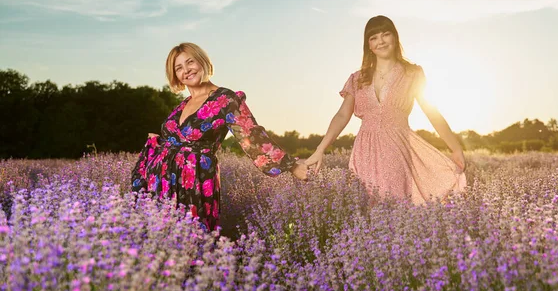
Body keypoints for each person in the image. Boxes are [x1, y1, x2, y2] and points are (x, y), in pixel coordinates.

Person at [131, 42, 308, 231]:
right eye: (179, 68)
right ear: (175, 75)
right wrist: (157, 141)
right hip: (162, 183)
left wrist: (292, 165)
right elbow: (177, 140)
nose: (186, 70)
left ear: (202, 61)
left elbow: (251, 135)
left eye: (190, 62)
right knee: (161, 242)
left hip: (196, 181)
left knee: (195, 240)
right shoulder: (182, 105)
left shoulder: (225, 99)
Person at [305, 15, 466, 204]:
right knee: (365, 208)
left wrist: (455, 148)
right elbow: (342, 116)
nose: (380, 41)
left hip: (397, 148)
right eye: (373, 37)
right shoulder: (358, 78)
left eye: (385, 34)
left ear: (395, 38)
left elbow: (432, 112)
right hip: (364, 151)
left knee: (395, 205)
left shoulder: (412, 73)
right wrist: (320, 148)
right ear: (369, 46)